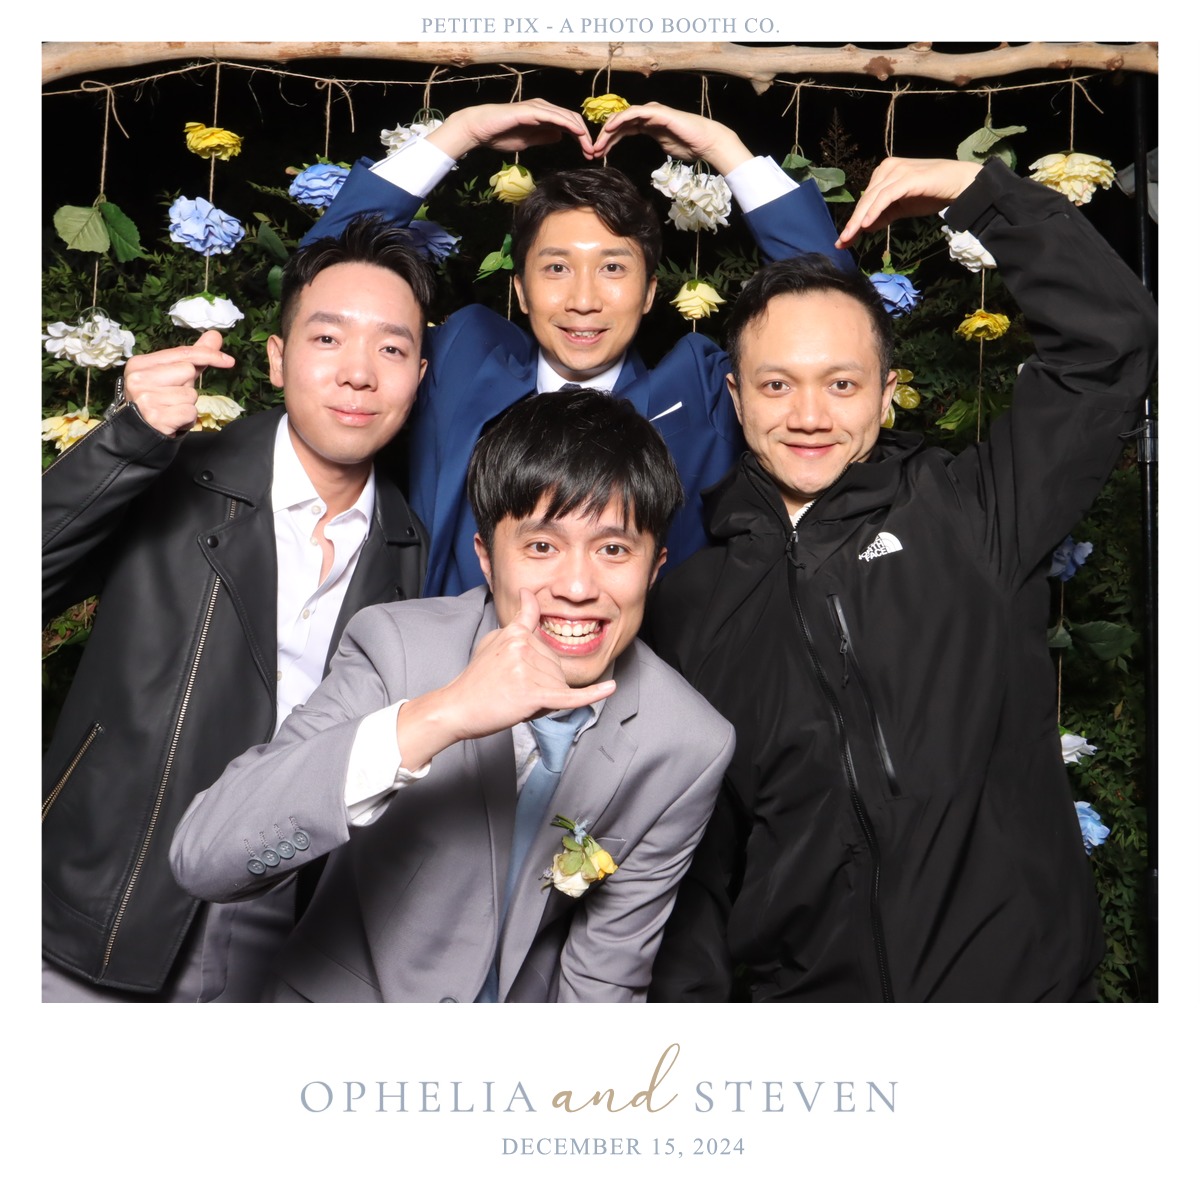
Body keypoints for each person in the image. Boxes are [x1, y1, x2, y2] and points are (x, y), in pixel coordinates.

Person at [644, 156, 1158, 1002]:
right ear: (737, 399)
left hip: (1012, 1007)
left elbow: (1110, 344)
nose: (810, 416)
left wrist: (980, 192)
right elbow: (691, 865)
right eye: (777, 385)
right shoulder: (687, 604)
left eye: (841, 384)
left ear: (887, 394)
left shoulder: (977, 514)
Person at [169, 389, 735, 1002]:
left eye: (614, 550)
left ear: (655, 567)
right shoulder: (396, 648)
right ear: (487, 559)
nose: (577, 586)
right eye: (541, 546)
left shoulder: (688, 743)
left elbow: (605, 975)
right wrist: (443, 713)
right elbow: (204, 857)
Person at [42, 215, 434, 1001]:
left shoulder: (410, 548)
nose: (359, 373)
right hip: (98, 897)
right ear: (278, 358)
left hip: (285, 928)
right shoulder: (170, 474)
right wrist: (124, 442)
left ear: (418, 376)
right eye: (329, 339)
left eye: (391, 349)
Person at [304, 98, 855, 595]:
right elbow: (322, 277)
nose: (583, 300)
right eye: (557, 268)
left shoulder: (700, 393)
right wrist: (460, 132)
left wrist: (724, 149)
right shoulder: (462, 363)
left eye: (612, 268)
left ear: (650, 292)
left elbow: (837, 312)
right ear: (520, 290)